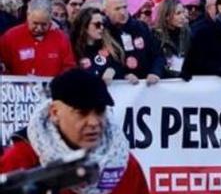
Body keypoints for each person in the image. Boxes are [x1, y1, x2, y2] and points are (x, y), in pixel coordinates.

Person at [0, 69, 151, 193]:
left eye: (99, 111)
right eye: (82, 112)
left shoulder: (122, 161)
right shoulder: (22, 160)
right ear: (55, 112)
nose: (93, 122)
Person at [0, 0, 75, 76]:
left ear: (50, 19)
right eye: (35, 23)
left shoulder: (61, 38)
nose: (39, 28)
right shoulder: (10, 37)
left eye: (44, 24)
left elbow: (68, 68)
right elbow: (3, 65)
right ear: (28, 15)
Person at [103, 0, 164, 84]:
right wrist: (123, 75)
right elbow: (103, 63)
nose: (123, 12)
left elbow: (157, 55)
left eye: (124, 7)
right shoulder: (102, 32)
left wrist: (155, 72)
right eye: (117, 9)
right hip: (119, 89)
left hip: (146, 87)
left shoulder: (141, 27)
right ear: (106, 11)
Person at [71, 7, 126, 84]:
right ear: (84, 26)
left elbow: (121, 68)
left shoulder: (111, 47)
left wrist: (113, 70)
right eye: (97, 24)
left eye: (102, 24)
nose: (101, 27)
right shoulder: (73, 48)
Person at [153, 0, 190, 78]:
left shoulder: (187, 33)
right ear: (167, 16)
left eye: (183, 12)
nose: (183, 17)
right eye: (178, 13)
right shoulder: (155, 36)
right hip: (165, 81)